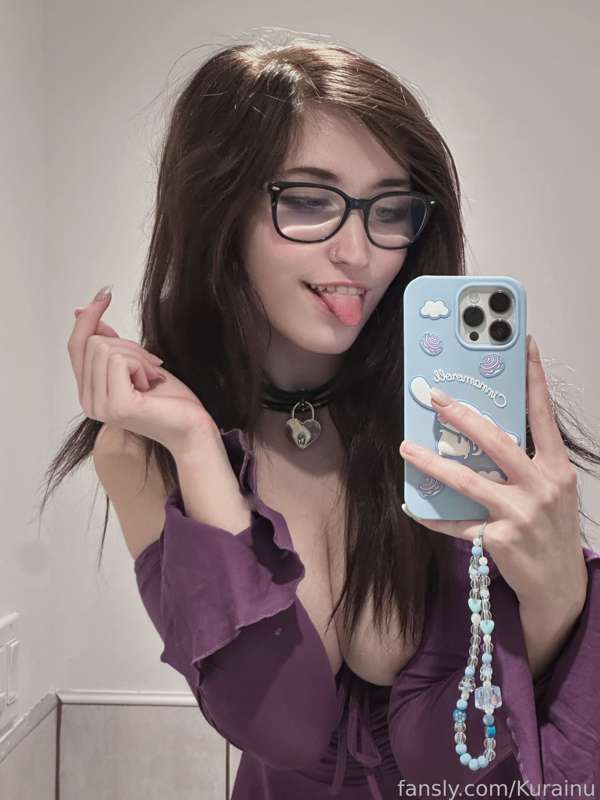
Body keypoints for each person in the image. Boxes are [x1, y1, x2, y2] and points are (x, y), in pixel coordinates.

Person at [58, 37, 600, 799]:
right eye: (310, 201)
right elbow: (283, 727)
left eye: (391, 209)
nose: (360, 252)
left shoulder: (451, 420)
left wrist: (558, 599)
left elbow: (451, 758)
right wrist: (200, 455)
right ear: (217, 209)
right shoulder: (143, 452)